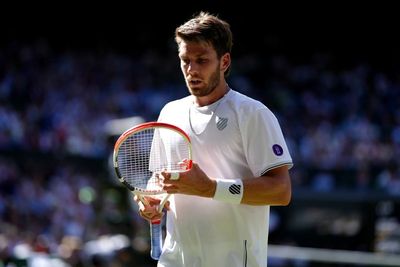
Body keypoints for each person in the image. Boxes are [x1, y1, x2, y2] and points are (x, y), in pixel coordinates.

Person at [137, 11, 293, 267]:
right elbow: (159, 183)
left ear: (224, 61)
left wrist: (210, 188)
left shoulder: (253, 114)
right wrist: (152, 202)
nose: (192, 70)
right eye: (185, 60)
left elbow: (281, 191)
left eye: (202, 60)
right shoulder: (169, 112)